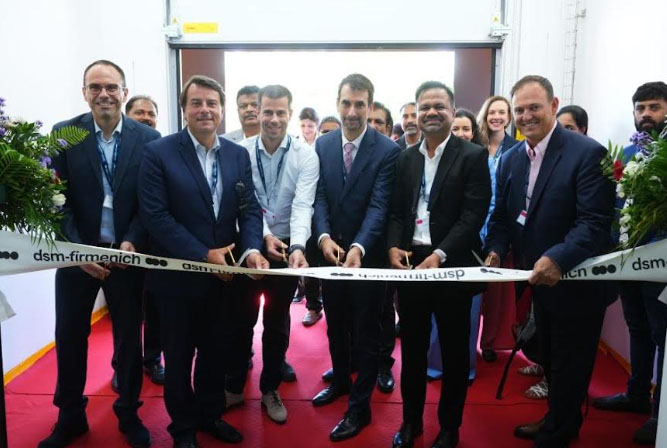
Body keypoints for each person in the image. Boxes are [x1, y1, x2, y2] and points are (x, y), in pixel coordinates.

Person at [138, 75, 269, 447]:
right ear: (184, 109)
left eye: (212, 103)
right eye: (196, 103)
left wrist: (251, 250)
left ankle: (210, 415)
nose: (205, 110)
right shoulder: (159, 153)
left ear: (222, 110)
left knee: (215, 353)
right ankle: (182, 428)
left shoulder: (237, 155)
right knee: (178, 358)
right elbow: (156, 217)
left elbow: (249, 209)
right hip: (176, 282)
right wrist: (203, 254)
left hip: (223, 281)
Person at [485, 75, 615, 447]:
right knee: (551, 359)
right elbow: (502, 218)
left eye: (534, 107)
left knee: (571, 364)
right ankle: (557, 420)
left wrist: (557, 259)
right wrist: (495, 251)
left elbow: (594, 223)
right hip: (539, 283)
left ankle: (559, 433)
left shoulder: (587, 153)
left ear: (554, 105)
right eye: (520, 110)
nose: (526, 116)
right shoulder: (511, 160)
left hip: (577, 283)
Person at [39, 60, 160, 448]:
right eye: (95, 87)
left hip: (127, 255)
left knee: (129, 338)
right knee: (69, 335)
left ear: (125, 92)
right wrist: (77, 250)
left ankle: (129, 412)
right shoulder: (64, 134)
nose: (103, 94)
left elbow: (149, 201)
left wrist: (132, 240)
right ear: (84, 93)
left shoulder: (148, 138)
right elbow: (56, 200)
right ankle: (70, 416)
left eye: (111, 87)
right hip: (77, 254)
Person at [387, 81, 491, 448]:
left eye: (439, 106)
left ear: (452, 110)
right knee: (412, 350)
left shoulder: (473, 156)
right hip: (412, 264)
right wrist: (393, 247)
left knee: (454, 353)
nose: (431, 112)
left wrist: (440, 254)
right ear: (416, 112)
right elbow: (397, 212)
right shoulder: (405, 158)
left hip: (451, 264)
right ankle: (410, 422)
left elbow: (473, 215)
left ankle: (449, 428)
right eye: (424, 107)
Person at [311, 73, 399, 441]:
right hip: (329, 256)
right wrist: (324, 237)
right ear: (337, 103)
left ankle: (359, 408)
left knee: (366, 332)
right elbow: (318, 197)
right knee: (335, 325)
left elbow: (379, 206)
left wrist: (359, 247)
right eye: (346, 103)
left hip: (368, 258)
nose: (351, 111)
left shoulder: (387, 150)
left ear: (370, 106)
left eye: (359, 104)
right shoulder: (322, 144)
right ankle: (340, 382)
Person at [224, 85, 319, 424]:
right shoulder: (240, 152)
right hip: (249, 244)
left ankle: (270, 389)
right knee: (241, 319)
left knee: (278, 322)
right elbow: (245, 203)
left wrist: (297, 246)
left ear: (290, 114)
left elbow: (303, 204)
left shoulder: (306, 155)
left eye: (281, 112)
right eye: (268, 111)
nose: (273, 118)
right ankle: (234, 386)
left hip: (287, 246)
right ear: (257, 111)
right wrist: (263, 236)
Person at [592, 81, 667, 445]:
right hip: (627, 258)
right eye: (640, 108)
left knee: (661, 334)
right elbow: (614, 205)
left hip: (660, 263)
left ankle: (660, 413)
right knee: (637, 327)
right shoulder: (626, 153)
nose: (646, 114)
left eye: (654, 107)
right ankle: (636, 394)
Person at [115, 94, 165, 388]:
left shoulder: (160, 147)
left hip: (154, 243)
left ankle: (153, 359)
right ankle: (122, 364)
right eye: (139, 112)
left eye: (151, 113)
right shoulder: (116, 148)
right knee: (127, 313)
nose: (146, 117)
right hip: (122, 242)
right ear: (127, 115)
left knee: (155, 306)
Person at [475, 96, 519, 365]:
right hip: (473, 224)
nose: (497, 117)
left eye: (502, 112)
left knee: (496, 293)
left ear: (509, 117)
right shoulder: (474, 145)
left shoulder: (517, 148)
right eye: (492, 112)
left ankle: (489, 342)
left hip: (501, 226)